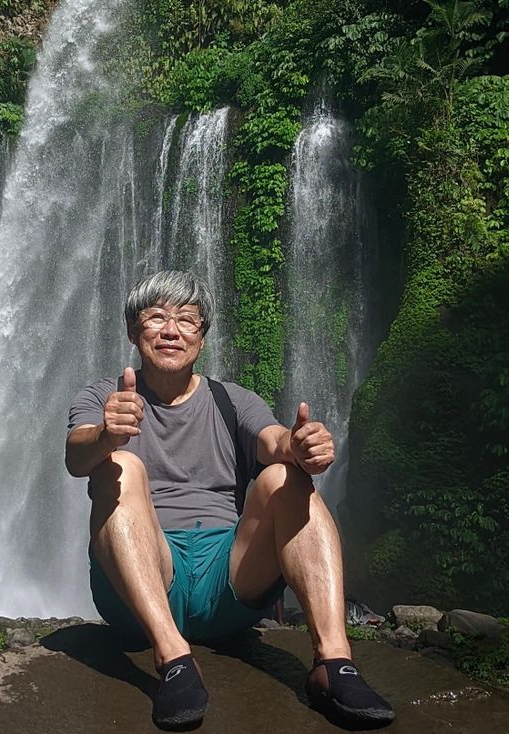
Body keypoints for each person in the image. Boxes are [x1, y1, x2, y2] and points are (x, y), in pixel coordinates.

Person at [65, 271, 394, 730]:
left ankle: (333, 663)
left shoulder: (231, 400)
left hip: (229, 576)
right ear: (132, 331)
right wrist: (105, 434)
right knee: (120, 466)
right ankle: (174, 657)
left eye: (186, 320)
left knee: (286, 476)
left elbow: (273, 440)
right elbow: (77, 455)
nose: (171, 330)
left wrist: (299, 446)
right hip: (144, 576)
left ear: (202, 335)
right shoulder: (106, 397)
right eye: (156, 317)